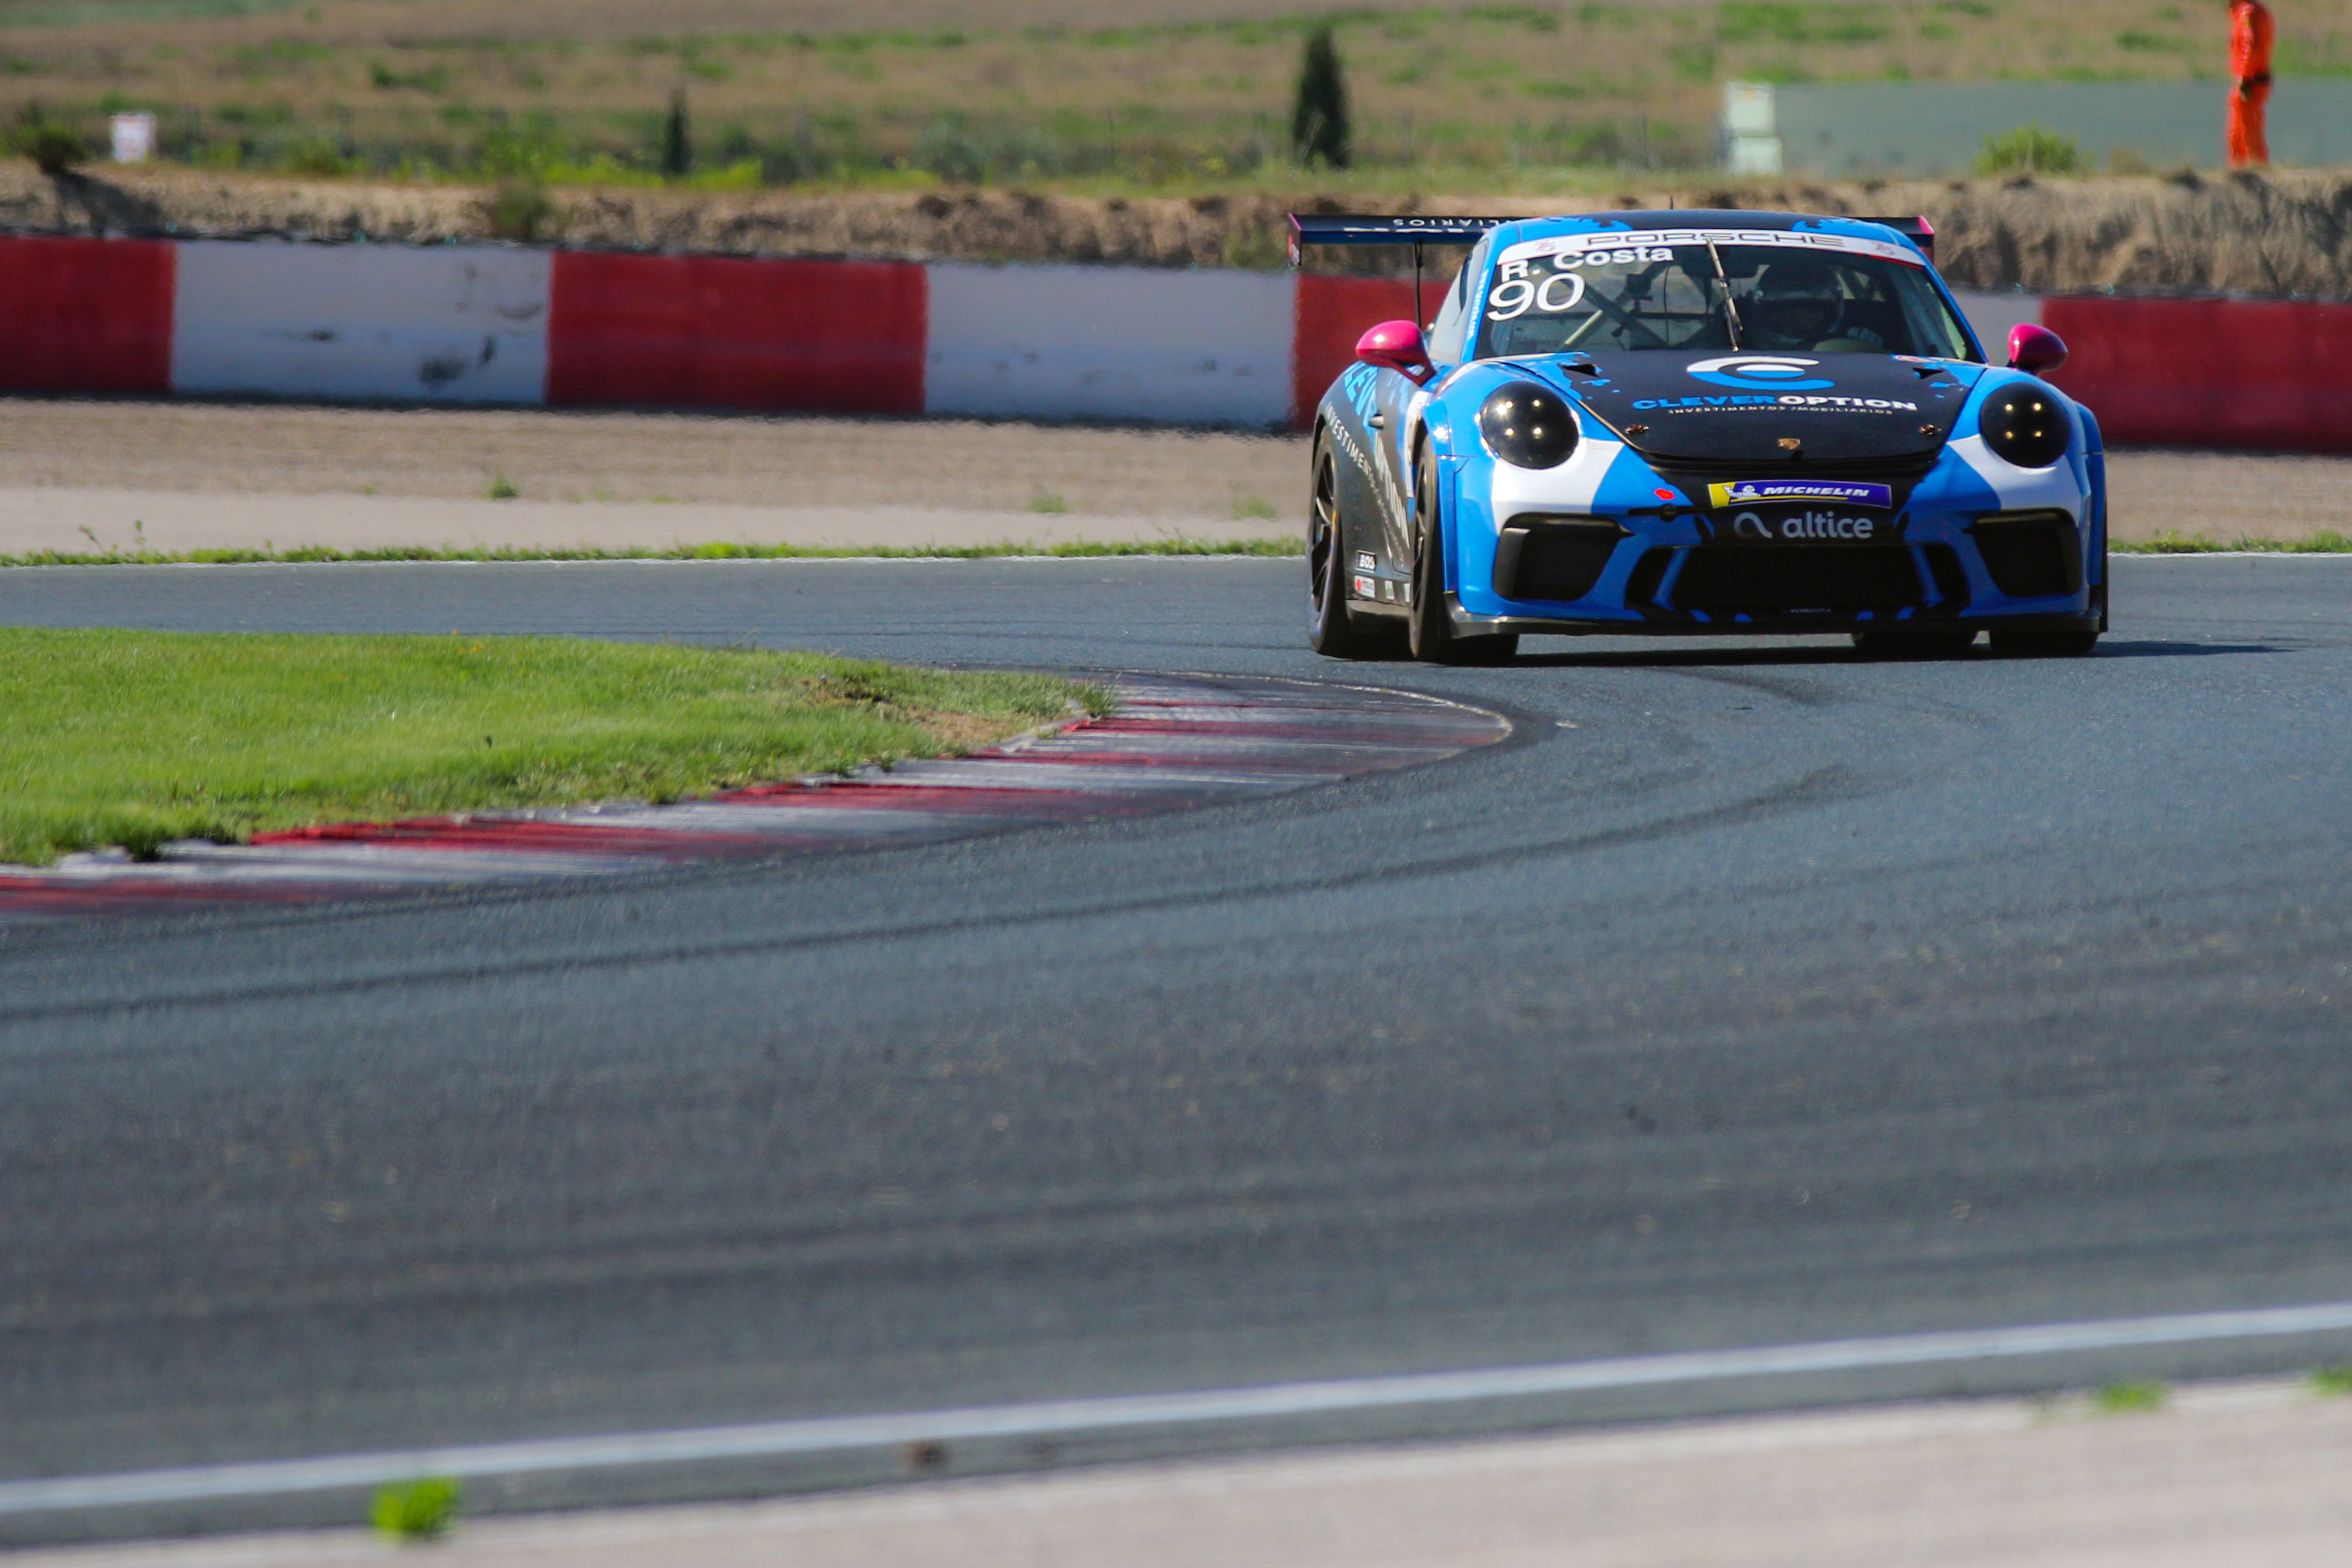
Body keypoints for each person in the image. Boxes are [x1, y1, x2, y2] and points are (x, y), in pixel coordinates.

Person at [2228, 0, 2275, 168]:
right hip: (2251, 81)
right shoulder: (2249, 12)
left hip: (2250, 83)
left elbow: (2252, 47)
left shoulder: (2250, 13)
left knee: (2248, 134)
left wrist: (2244, 77)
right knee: (2238, 133)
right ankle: (2239, 173)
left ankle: (2256, 172)